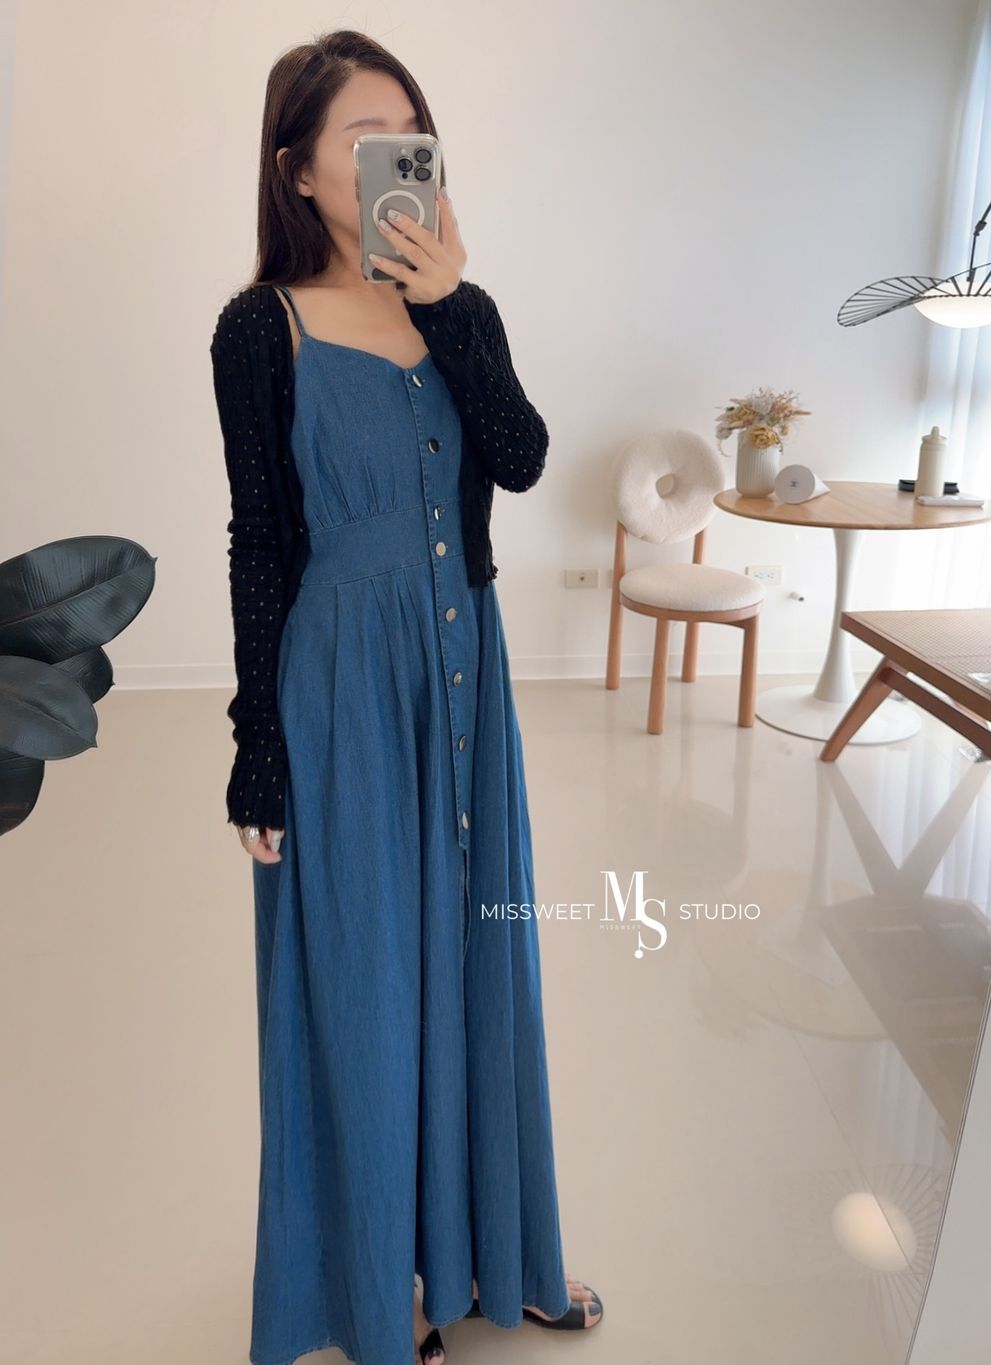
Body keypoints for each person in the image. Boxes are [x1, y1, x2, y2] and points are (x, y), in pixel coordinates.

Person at [210, 30, 604, 1365]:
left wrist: (454, 307)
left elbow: (522, 457)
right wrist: (259, 746)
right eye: (364, 138)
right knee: (368, 986)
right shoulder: (259, 327)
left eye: (412, 134)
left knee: (487, 966)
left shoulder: (458, 308)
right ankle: (388, 1289)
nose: (398, 158)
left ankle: (502, 1253)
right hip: (342, 690)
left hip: (464, 675)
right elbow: (260, 539)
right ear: (298, 170)